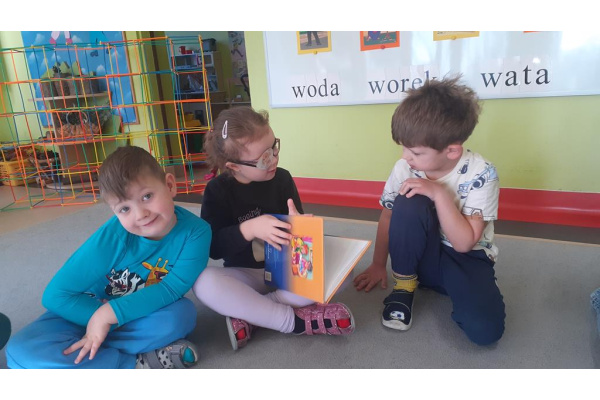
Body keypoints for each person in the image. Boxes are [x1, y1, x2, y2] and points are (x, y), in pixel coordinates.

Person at [5, 146, 211, 368]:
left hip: (140, 313)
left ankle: (101, 359)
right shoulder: (113, 237)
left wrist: (109, 315)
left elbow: (171, 289)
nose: (141, 214)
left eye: (147, 196)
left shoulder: (196, 232)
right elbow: (56, 295)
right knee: (18, 352)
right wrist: (98, 317)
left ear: (170, 185)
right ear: (114, 212)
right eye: (124, 209)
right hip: (84, 312)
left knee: (181, 315)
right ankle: (136, 361)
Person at [353, 75, 505, 346]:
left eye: (415, 152)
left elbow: (464, 244)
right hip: (419, 255)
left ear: (452, 151)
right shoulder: (405, 167)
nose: (405, 157)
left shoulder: (482, 173)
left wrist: (438, 193)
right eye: (403, 148)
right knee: (408, 200)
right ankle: (404, 285)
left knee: (486, 332)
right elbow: (388, 215)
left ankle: (447, 286)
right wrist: (378, 264)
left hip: (466, 258)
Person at [193, 106, 355, 351]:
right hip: (246, 275)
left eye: (274, 148)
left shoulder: (282, 178)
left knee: (344, 270)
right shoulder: (217, 191)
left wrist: (300, 225)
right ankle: (290, 320)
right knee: (203, 282)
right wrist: (249, 229)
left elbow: (297, 232)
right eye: (263, 158)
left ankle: (255, 313)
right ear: (234, 166)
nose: (274, 159)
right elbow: (214, 248)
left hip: (288, 271)